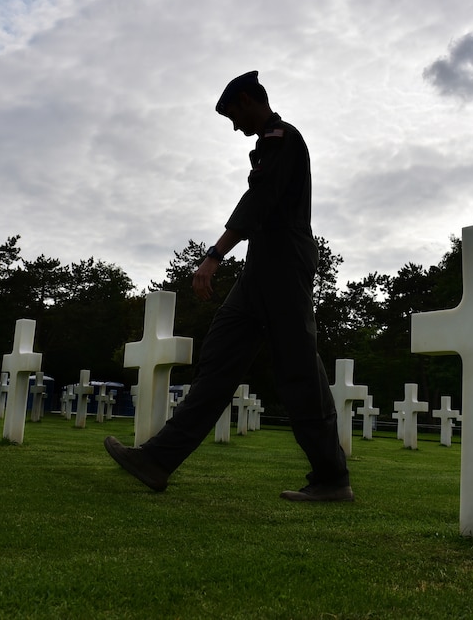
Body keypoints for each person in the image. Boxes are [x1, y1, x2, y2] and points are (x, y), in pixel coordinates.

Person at [105, 70, 352, 502]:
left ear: (248, 99)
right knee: (217, 362)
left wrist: (214, 255)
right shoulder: (267, 144)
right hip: (260, 269)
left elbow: (258, 200)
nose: (235, 126)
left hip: (284, 269)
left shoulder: (283, 138)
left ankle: (331, 479)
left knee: (299, 373)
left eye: (233, 114)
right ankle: (157, 460)